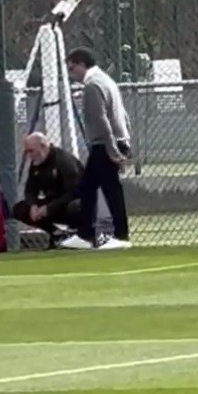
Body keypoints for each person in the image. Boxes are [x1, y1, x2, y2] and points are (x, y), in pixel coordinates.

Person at [60, 47, 133, 250]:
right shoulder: (107, 81)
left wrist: (111, 149)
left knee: (108, 188)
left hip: (104, 144)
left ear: (82, 64)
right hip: (113, 141)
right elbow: (123, 115)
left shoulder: (93, 85)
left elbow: (101, 119)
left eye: (73, 68)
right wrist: (127, 141)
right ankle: (86, 234)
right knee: (89, 187)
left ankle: (120, 235)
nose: (73, 73)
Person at [12, 133, 85, 249]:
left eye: (31, 151)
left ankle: (79, 235)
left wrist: (49, 208)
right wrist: (33, 206)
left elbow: (74, 192)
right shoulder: (36, 164)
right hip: (53, 204)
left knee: (76, 206)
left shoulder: (63, 161)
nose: (29, 155)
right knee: (19, 209)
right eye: (27, 152)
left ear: (43, 146)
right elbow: (30, 189)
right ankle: (58, 234)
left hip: (71, 202)